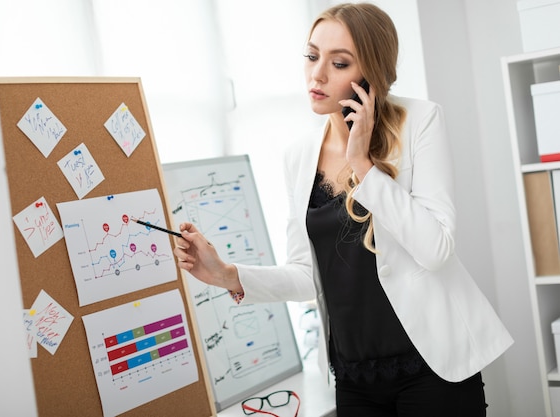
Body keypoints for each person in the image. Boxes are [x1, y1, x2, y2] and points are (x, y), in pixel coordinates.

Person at [173, 3, 513, 416]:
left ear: (370, 73)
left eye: (338, 63)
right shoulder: (298, 157)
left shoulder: (420, 122)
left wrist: (363, 166)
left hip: (431, 369)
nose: (317, 74)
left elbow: (436, 249)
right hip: (354, 377)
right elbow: (306, 276)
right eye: (312, 56)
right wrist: (227, 274)